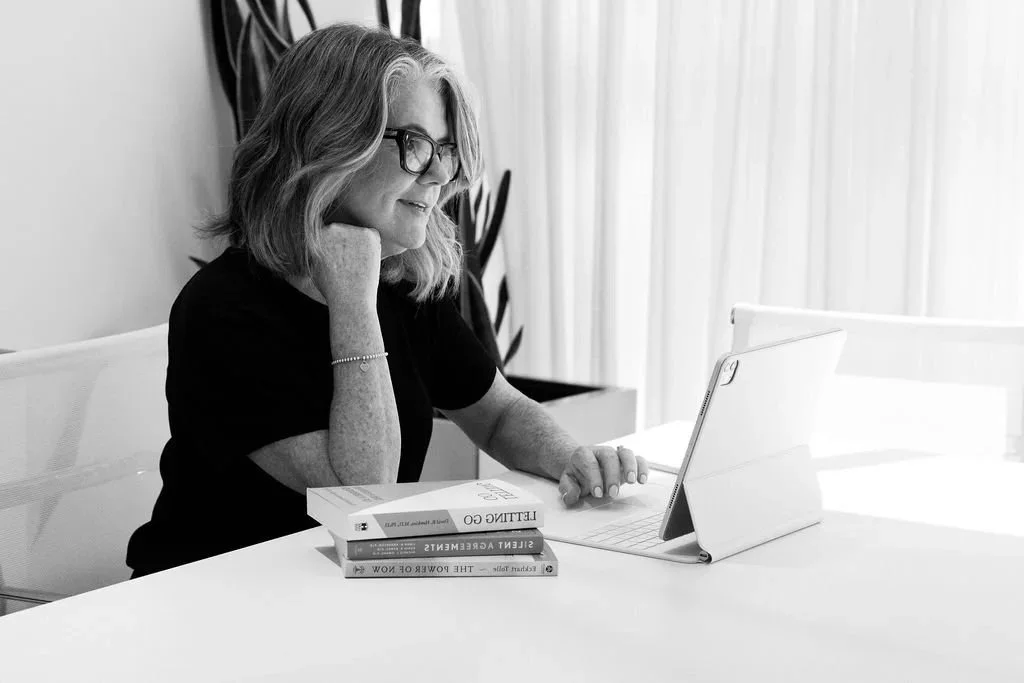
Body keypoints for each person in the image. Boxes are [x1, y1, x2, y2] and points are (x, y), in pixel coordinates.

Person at [126, 23, 649, 577]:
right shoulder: (224, 311)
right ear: (330, 140)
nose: (441, 174)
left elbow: (497, 415)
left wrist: (572, 457)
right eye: (416, 144)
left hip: (333, 601)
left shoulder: (402, 283)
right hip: (211, 612)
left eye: (445, 150)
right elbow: (363, 495)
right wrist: (352, 298)